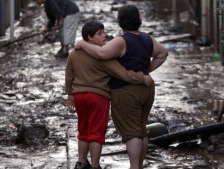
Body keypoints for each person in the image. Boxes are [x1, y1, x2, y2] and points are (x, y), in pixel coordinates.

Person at [75, 5, 168, 169]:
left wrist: (82, 44)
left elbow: (101, 54)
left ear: (120, 21)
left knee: (132, 133)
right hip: (146, 89)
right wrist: (146, 71)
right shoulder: (147, 38)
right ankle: (138, 166)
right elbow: (162, 54)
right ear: (138, 20)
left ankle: (134, 167)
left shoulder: (121, 40)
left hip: (126, 90)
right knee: (141, 130)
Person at [65, 20, 153, 169]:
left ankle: (81, 162)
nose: (104, 36)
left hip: (79, 96)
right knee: (97, 132)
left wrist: (70, 95)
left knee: (83, 129)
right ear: (89, 37)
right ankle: (94, 165)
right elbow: (123, 74)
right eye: (100, 34)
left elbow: (69, 75)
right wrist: (141, 77)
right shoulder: (102, 56)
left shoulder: (74, 53)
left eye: (104, 32)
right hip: (98, 97)